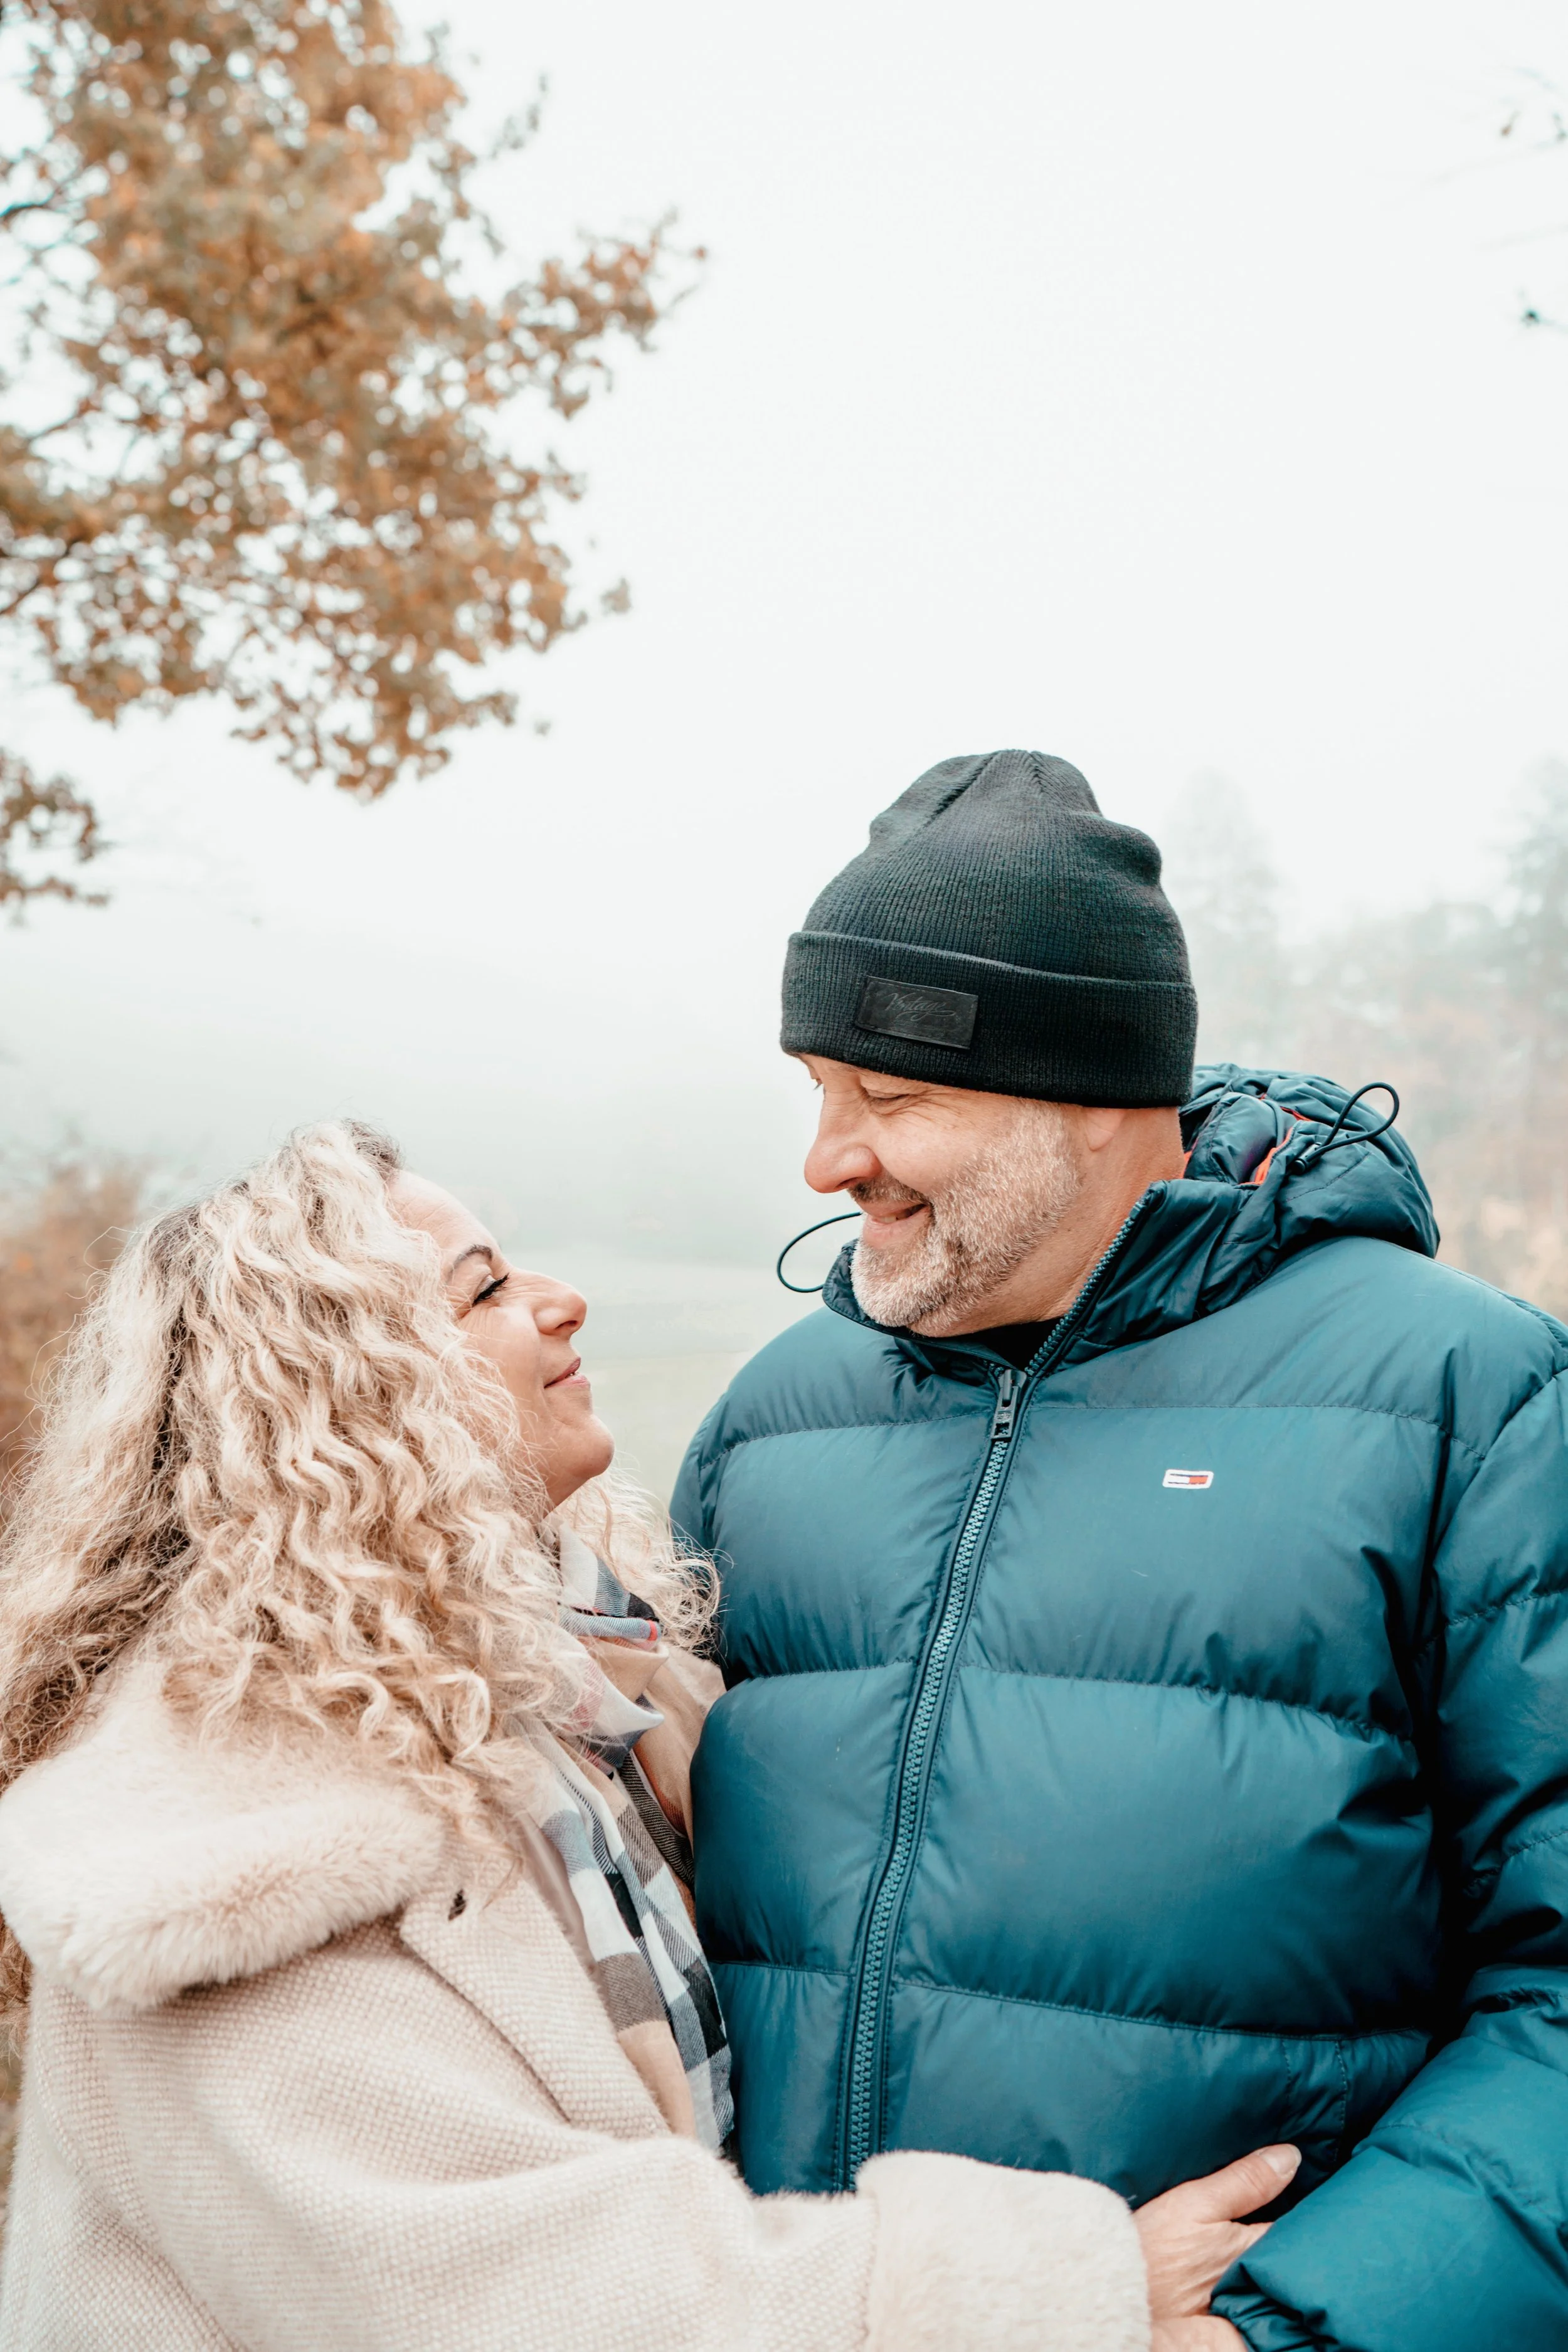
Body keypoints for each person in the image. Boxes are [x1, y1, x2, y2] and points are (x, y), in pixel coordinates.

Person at [0, 1120, 1286, 2351]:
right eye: (485, 1289)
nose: (559, 1300)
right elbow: (514, 2303)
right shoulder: (225, 1838)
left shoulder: (576, 1689)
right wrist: (1062, 2294)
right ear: (341, 1403)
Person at [674, 748, 1568, 2352]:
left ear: (1090, 1100)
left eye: (889, 1098)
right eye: (815, 1089)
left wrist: (1281, 2330)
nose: (825, 1158)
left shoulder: (1463, 1401)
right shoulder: (771, 1425)